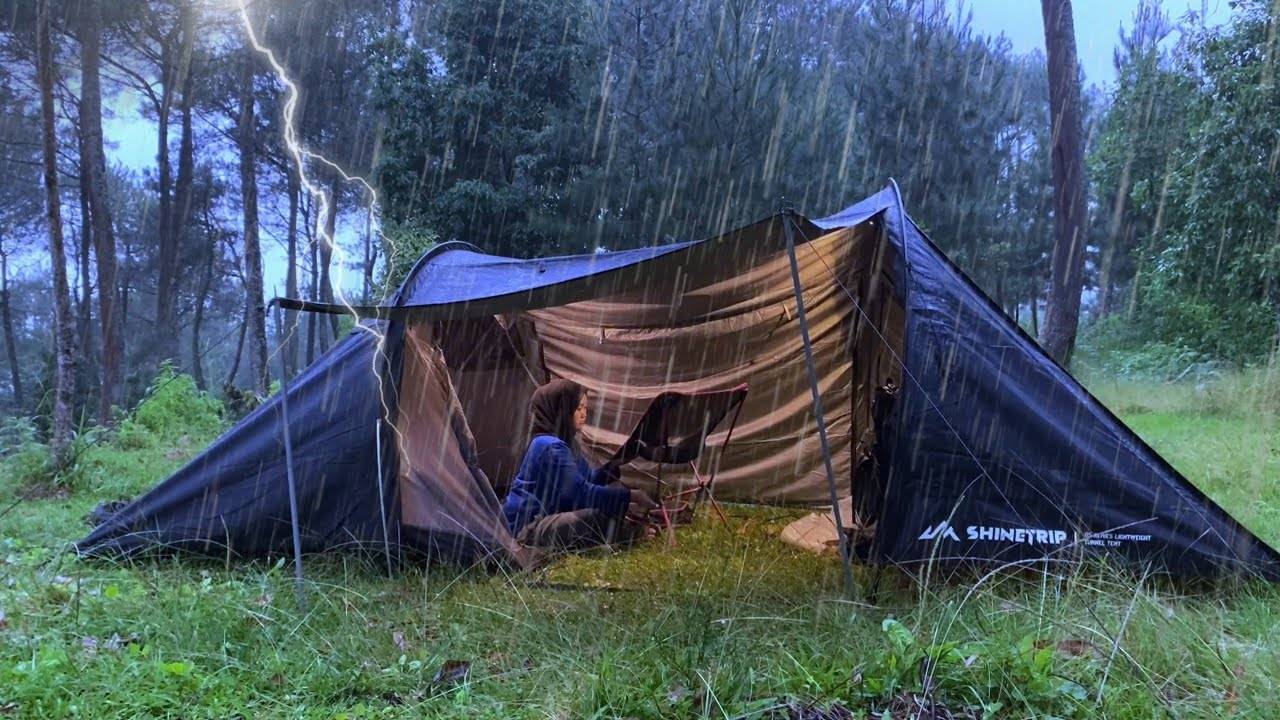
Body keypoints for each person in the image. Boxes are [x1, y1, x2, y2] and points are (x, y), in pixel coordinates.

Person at [502, 379, 658, 552]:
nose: (584, 414)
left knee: (603, 507)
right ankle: (633, 535)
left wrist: (614, 465)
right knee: (595, 516)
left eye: (585, 408)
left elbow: (586, 479)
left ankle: (631, 531)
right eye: (578, 408)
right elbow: (580, 494)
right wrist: (630, 496)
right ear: (561, 409)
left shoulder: (567, 443)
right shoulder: (548, 445)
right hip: (526, 528)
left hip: (546, 518)